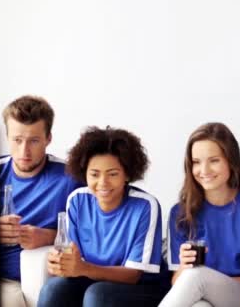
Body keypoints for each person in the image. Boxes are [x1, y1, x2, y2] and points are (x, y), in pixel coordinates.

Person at [159, 123, 240, 307]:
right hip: (203, 296)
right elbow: (177, 283)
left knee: (198, 277)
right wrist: (183, 268)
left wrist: (213, 282)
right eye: (196, 162)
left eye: (214, 160)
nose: (204, 170)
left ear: (230, 161)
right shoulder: (180, 214)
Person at [37, 126, 167, 307]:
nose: (103, 183)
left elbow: (133, 275)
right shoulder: (77, 200)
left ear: (127, 174)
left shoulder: (145, 206)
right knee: (54, 288)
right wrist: (62, 264)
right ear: (85, 173)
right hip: (93, 279)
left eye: (112, 174)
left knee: (98, 294)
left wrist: (82, 268)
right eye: (94, 174)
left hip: (141, 287)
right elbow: (74, 257)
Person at [0, 95, 81, 307]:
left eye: (34, 141)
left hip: (15, 281)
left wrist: (49, 236)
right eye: (17, 140)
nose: (24, 151)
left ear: (48, 138)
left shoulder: (70, 179)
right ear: (7, 137)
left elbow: (92, 238)